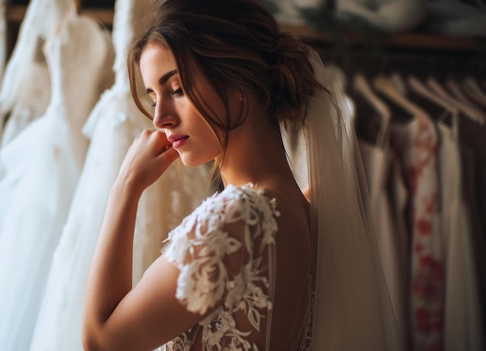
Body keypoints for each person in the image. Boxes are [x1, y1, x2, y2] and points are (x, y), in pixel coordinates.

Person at [82, 0, 402, 350]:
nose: (160, 118)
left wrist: (125, 188)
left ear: (237, 82)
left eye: (177, 90)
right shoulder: (308, 213)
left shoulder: (238, 219)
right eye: (154, 96)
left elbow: (101, 342)